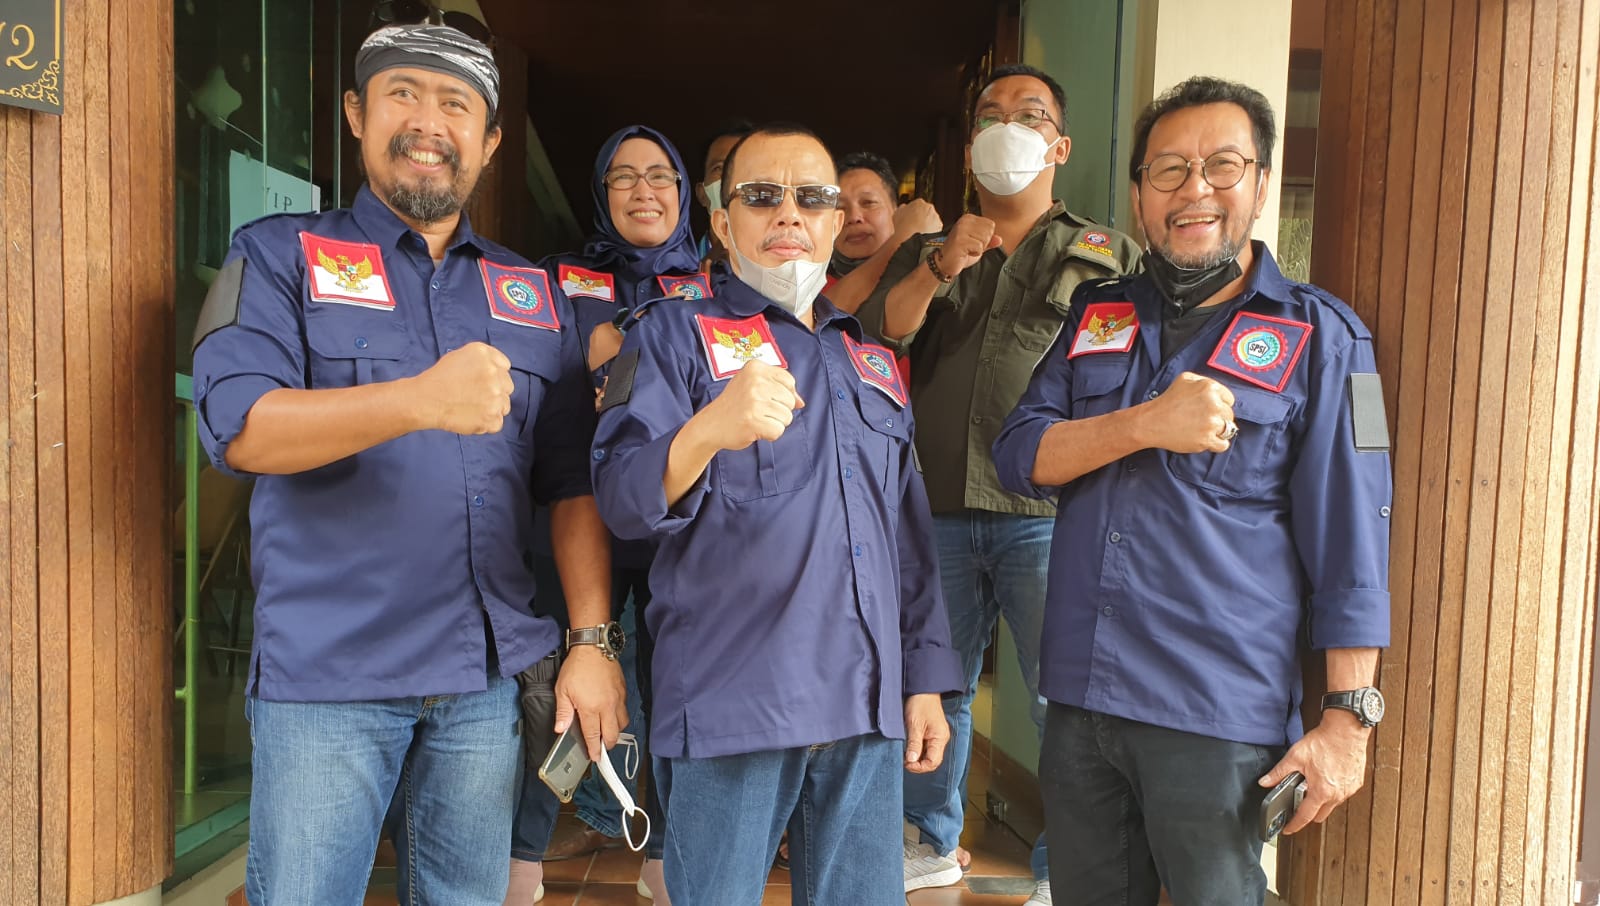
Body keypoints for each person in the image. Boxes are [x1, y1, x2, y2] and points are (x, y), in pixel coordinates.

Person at [190, 24, 626, 905]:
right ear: (357, 114)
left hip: (479, 686)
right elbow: (241, 432)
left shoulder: (530, 295)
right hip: (329, 679)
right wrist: (419, 401)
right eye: (403, 94)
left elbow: (571, 483)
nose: (429, 123)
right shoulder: (279, 255)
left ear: (489, 142)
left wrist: (591, 640)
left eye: (455, 104)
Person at [991, 75, 1392, 905]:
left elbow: (1352, 540)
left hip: (1213, 714)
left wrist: (1348, 718)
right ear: (1140, 193)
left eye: (1222, 165)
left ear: (1261, 183)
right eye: (1168, 169)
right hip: (1080, 700)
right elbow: (1019, 455)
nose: (1194, 189)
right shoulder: (1099, 314)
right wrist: (1143, 423)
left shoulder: (1323, 337)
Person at [590, 123, 963, 905]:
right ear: (724, 224)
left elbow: (907, 540)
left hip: (865, 706)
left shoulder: (869, 359)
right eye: (762, 196)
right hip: (735, 701)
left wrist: (925, 680)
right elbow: (621, 499)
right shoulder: (670, 336)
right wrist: (705, 431)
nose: (789, 213)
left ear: (836, 223)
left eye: (811, 198)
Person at [856, 62, 1140, 903]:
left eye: (1028, 113)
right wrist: (942, 263)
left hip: (1052, 512)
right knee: (932, 689)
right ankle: (929, 839)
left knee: (1066, 698)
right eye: (989, 114)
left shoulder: (1106, 254)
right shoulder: (929, 251)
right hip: (934, 507)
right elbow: (878, 339)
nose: (1005, 126)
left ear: (1060, 145)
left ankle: (1069, 869)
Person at [509, 124, 702, 905]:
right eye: (623, 176)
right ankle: (523, 852)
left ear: (684, 193)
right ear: (600, 191)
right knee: (552, 687)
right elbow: (534, 384)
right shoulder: (558, 278)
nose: (643, 190)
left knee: (677, 688)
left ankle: (667, 855)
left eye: (660, 175)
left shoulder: (713, 286)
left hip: (673, 523)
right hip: (573, 512)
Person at [824, 150, 942, 313]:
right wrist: (903, 237)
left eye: (868, 202)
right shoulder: (811, 288)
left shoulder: (932, 271)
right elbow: (827, 316)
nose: (854, 217)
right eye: (840, 207)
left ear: (897, 211)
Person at [695, 118, 754, 268]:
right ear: (702, 194)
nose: (731, 179)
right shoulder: (678, 268)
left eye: (745, 166)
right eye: (719, 168)